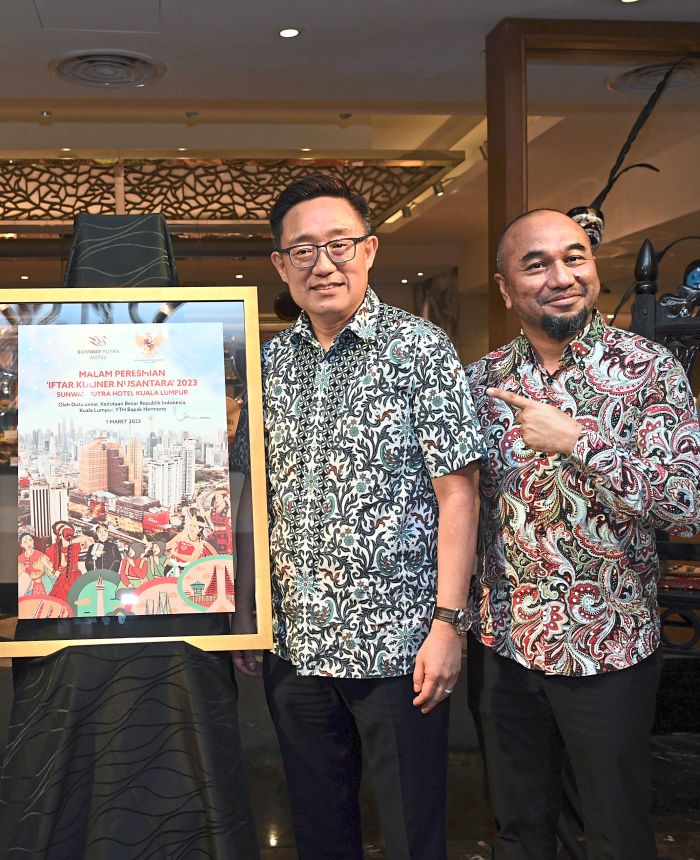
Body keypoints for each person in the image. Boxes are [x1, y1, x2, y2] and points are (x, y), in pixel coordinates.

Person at [466, 208, 700, 859]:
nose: (561, 276)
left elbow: (686, 505)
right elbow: (462, 510)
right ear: (505, 287)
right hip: (506, 648)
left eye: (574, 257)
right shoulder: (481, 383)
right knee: (519, 832)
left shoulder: (648, 370)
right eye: (537, 263)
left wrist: (578, 440)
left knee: (613, 835)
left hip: (609, 649)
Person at [251, 174, 482, 859]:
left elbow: (459, 495)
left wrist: (447, 625)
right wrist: (250, 615)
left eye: (339, 245)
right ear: (280, 264)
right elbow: (249, 494)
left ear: (370, 249)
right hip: (294, 648)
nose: (323, 264)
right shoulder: (268, 365)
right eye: (303, 250)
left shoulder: (422, 351)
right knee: (319, 831)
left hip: (399, 650)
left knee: (413, 833)